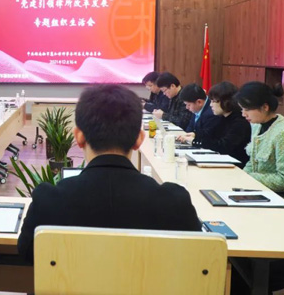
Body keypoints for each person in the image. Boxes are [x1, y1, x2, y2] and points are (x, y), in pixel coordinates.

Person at [17, 84, 202, 262]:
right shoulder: (174, 203)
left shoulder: (50, 200)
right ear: (139, 140)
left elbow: (26, 254)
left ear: (78, 137)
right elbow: (196, 258)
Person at [235, 81, 284, 193]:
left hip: (281, 197)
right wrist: (242, 176)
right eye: (242, 109)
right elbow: (252, 163)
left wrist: (250, 177)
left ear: (265, 107)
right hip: (258, 190)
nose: (243, 114)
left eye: (247, 109)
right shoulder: (257, 126)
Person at [196, 81, 251, 167]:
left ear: (226, 101)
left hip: (235, 167)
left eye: (214, 101)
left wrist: (195, 141)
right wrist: (194, 135)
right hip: (223, 162)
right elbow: (209, 134)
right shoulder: (222, 117)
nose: (210, 105)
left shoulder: (240, 121)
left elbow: (223, 146)